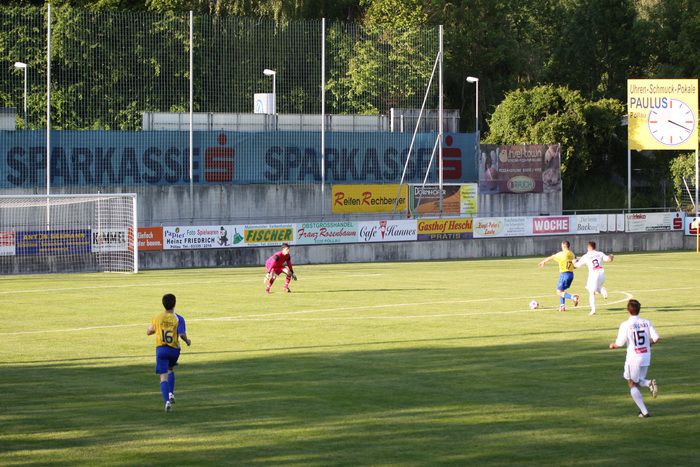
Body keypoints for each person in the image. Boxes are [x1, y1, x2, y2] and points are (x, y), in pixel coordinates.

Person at [609, 299, 660, 418]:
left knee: (631, 383)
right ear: (639, 310)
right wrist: (648, 344)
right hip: (646, 356)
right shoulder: (646, 322)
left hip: (633, 358)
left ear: (628, 310)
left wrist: (613, 345)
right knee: (638, 380)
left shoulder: (625, 325)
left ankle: (645, 409)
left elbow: (620, 343)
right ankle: (644, 407)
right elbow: (657, 338)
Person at [146, 293, 191, 412]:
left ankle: (167, 401)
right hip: (174, 351)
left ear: (163, 304)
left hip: (161, 350)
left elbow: (149, 331)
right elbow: (181, 334)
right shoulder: (179, 318)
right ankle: (171, 393)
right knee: (170, 368)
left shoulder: (157, 317)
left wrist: (158, 329)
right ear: (174, 304)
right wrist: (187, 341)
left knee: (163, 377)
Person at [538, 240, 580, 311]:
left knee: (559, 292)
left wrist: (543, 261)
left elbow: (552, 257)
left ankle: (573, 297)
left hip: (564, 274)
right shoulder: (572, 254)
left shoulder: (561, 254)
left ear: (564, 246)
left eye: (562, 245)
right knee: (562, 290)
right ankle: (562, 306)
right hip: (571, 274)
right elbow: (575, 264)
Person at [574, 241, 614, 316]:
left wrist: (574, 262)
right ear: (595, 247)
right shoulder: (600, 253)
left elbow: (577, 265)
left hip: (593, 275)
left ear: (588, 247)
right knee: (596, 288)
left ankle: (593, 310)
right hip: (601, 274)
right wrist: (611, 256)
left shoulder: (586, 256)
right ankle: (602, 290)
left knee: (591, 292)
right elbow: (609, 259)